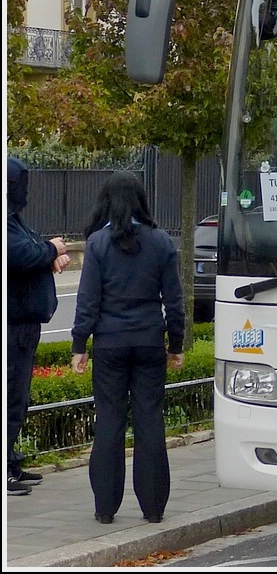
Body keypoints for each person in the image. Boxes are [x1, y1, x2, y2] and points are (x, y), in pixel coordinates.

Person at [70, 171, 185, 525]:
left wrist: (79, 344)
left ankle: (105, 507)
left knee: (109, 420)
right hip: (149, 341)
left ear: (107, 202)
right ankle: (153, 507)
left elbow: (88, 299)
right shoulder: (161, 242)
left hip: (110, 344)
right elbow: (174, 300)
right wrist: (176, 344)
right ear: (141, 201)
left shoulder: (98, 244)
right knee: (150, 420)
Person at [6, 156, 71, 497]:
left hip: (24, 324)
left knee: (18, 398)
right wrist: (50, 249)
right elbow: (19, 254)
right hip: (12, 324)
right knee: (9, 395)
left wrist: (50, 254)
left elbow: (31, 248)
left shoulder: (14, 219)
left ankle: (10, 461)